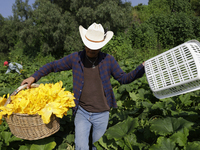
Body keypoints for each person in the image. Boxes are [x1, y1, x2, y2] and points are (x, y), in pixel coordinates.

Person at [21, 22, 145, 150]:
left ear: (101, 46)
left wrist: (141, 68)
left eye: (95, 47)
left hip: (102, 113)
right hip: (82, 111)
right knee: (81, 147)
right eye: (89, 46)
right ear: (84, 43)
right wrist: (34, 76)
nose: (91, 49)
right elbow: (53, 65)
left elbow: (124, 78)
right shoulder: (76, 58)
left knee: (98, 146)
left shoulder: (108, 60)